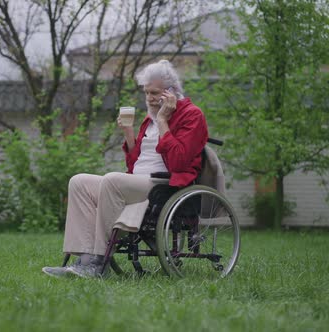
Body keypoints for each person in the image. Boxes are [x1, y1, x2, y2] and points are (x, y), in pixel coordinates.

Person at [42, 59, 208, 278]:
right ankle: (83, 259)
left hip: (166, 185)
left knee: (112, 179)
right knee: (79, 181)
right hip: (138, 182)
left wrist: (163, 121)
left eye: (154, 93)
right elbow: (134, 165)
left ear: (171, 92)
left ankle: (99, 262)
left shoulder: (191, 115)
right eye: (146, 93)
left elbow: (179, 162)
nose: (149, 98)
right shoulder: (149, 120)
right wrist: (129, 133)